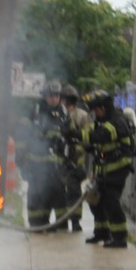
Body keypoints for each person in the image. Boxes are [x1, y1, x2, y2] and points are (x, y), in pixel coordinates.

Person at [74, 90, 134, 248]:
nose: (94, 113)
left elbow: (99, 136)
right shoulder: (103, 120)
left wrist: (77, 134)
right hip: (104, 170)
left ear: (103, 107)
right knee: (96, 202)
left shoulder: (116, 122)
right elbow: (94, 138)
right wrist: (87, 145)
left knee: (111, 201)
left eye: (96, 109)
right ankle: (102, 233)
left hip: (117, 169)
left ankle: (120, 238)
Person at [18, 80, 68, 231]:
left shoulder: (64, 114)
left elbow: (71, 138)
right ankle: (37, 225)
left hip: (57, 169)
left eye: (57, 96)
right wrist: (22, 161)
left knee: (59, 199)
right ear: (45, 97)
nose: (54, 99)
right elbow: (22, 136)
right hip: (36, 167)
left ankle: (60, 226)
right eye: (51, 96)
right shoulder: (35, 113)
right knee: (36, 198)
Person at [60, 84, 89, 232]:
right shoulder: (59, 115)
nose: (65, 102)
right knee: (59, 193)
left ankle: (75, 222)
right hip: (61, 161)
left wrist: (75, 154)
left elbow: (87, 139)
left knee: (74, 193)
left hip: (76, 162)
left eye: (67, 100)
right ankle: (62, 221)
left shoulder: (82, 116)